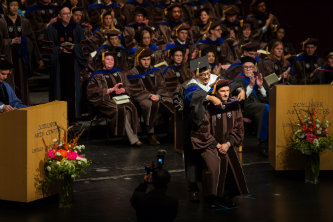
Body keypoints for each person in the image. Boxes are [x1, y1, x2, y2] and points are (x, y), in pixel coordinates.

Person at [182, 56, 245, 202]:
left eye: (207, 74)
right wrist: (209, 98)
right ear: (195, 74)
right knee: (193, 162)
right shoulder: (190, 85)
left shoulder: (214, 79)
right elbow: (191, 96)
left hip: (216, 127)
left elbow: (230, 84)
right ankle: (194, 189)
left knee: (221, 160)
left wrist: (240, 89)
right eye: (202, 75)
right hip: (196, 128)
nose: (205, 77)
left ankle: (221, 190)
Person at [191, 78, 249, 207]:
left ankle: (226, 196)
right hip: (210, 144)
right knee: (214, 166)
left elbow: (239, 127)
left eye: (227, 91)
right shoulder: (208, 107)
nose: (225, 94)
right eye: (222, 91)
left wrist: (228, 144)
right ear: (216, 93)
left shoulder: (234, 105)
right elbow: (203, 130)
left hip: (226, 144)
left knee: (232, 165)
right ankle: (211, 198)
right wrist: (217, 145)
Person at [43, 4, 88, 126]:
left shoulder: (76, 28)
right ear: (59, 16)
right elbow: (47, 49)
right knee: (59, 90)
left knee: (73, 91)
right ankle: (59, 117)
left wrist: (75, 47)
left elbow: (83, 46)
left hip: (73, 65)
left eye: (69, 13)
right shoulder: (52, 29)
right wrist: (59, 50)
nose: (68, 16)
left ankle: (73, 118)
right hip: (58, 65)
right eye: (65, 14)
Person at [86, 52, 141, 146]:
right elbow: (91, 92)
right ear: (103, 61)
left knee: (131, 108)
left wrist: (123, 89)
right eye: (108, 59)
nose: (110, 61)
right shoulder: (97, 75)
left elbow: (129, 87)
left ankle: (127, 136)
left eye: (112, 59)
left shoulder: (119, 73)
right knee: (121, 109)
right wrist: (110, 90)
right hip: (105, 101)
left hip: (121, 99)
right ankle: (133, 139)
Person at [126, 48, 174, 145]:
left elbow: (162, 85)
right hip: (143, 97)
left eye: (148, 59)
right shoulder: (133, 72)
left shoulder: (155, 70)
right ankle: (150, 134)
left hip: (157, 95)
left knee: (172, 103)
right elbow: (134, 89)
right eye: (144, 60)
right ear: (139, 60)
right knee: (150, 105)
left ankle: (172, 133)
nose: (146, 62)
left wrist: (159, 95)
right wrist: (149, 95)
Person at [0, 0, 40, 105]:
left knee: (22, 83)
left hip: (21, 58)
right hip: (8, 58)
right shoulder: (2, 22)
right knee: (9, 83)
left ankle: (23, 106)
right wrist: (10, 41)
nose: (14, 7)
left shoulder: (24, 22)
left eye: (16, 5)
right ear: (7, 6)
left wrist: (24, 41)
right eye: (12, 5)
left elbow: (32, 39)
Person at [234, 56, 269, 156]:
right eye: (246, 67)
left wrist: (261, 87)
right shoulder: (238, 79)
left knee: (268, 108)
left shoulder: (260, 78)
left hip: (260, 107)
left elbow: (267, 98)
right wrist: (250, 86)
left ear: (255, 68)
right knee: (265, 108)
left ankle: (272, 141)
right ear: (242, 68)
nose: (248, 69)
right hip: (246, 107)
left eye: (251, 67)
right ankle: (263, 143)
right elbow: (239, 99)